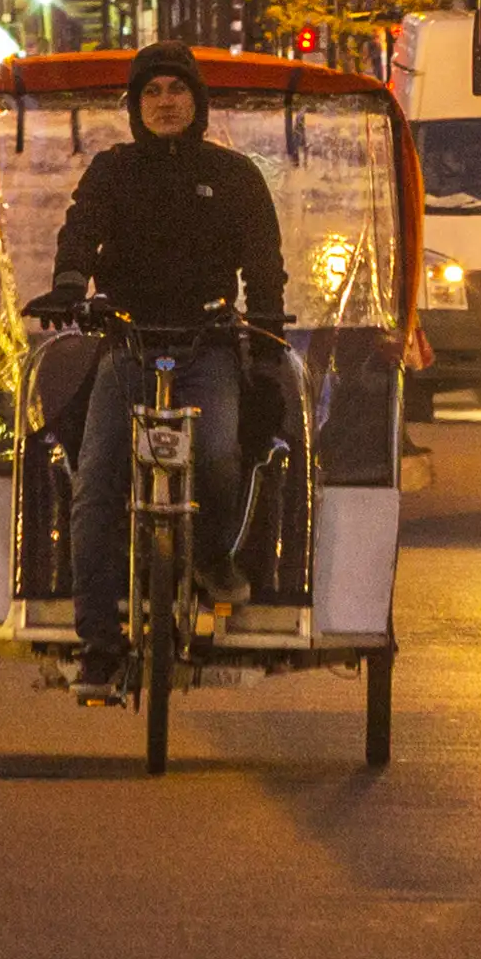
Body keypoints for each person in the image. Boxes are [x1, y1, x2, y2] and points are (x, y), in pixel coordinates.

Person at [44, 43, 288, 660]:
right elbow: (81, 229)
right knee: (96, 480)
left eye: (176, 90)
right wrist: (70, 285)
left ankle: (211, 554)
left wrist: (263, 335)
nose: (165, 103)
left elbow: (264, 264)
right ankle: (98, 635)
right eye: (151, 92)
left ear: (197, 100)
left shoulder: (235, 176)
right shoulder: (112, 169)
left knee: (217, 455)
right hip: (127, 342)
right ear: (136, 106)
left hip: (207, 345)